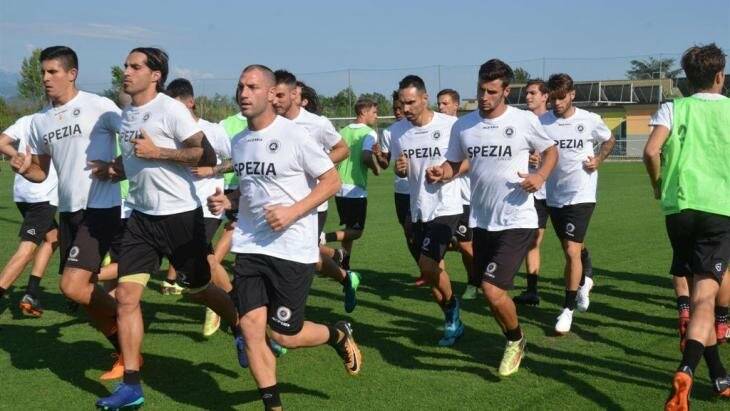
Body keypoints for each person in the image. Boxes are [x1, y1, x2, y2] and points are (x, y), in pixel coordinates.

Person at [208, 64, 361, 410]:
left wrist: (293, 212)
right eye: (240, 86)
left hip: (292, 249)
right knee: (250, 328)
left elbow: (331, 180)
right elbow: (250, 192)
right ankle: (273, 406)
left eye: (252, 87)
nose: (243, 93)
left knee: (283, 335)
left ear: (268, 93)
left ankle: (337, 334)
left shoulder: (295, 135)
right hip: (249, 245)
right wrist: (227, 200)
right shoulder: (240, 142)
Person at [95, 47, 240, 410]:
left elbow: (203, 155)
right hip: (142, 219)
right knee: (127, 298)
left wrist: (158, 152)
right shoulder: (128, 114)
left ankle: (241, 328)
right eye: (125, 65)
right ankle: (132, 385)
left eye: (135, 66)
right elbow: (134, 161)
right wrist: (115, 168)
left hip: (179, 216)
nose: (126, 71)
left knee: (200, 290)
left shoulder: (171, 109)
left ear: (155, 74)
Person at [429, 59, 557, 376]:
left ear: (505, 91)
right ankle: (512, 337)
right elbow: (455, 163)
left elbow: (551, 151)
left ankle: (516, 341)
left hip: (518, 218)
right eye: (480, 90)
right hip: (483, 221)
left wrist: (540, 176)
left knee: (491, 289)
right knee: (491, 295)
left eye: (491, 91)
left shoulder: (524, 120)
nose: (484, 97)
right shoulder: (464, 126)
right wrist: (441, 173)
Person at [11, 45, 125, 380]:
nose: (45, 78)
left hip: (100, 207)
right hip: (69, 212)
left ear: (71, 73)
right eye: (43, 72)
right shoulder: (40, 121)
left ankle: (127, 319)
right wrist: (22, 166)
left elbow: (134, 142)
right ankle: (123, 347)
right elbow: (40, 173)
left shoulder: (99, 106)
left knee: (72, 288)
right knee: (84, 293)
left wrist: (117, 167)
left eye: (53, 72)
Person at [642, 43, 730, 409]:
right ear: (720, 77)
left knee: (698, 300)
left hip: (679, 211)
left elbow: (650, 151)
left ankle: (720, 376)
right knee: (706, 300)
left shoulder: (672, 107)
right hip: (719, 210)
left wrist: (657, 183)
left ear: (686, 80)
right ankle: (686, 370)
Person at [272, 69, 360, 313]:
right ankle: (345, 277)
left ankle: (284, 316)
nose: (275, 101)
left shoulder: (316, 123)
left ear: (294, 94)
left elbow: (343, 150)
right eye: (272, 95)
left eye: (280, 95)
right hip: (281, 204)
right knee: (298, 255)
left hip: (313, 204)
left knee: (300, 258)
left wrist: (319, 164)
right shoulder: (271, 123)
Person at [391, 75, 463, 346]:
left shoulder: (451, 126)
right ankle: (451, 318)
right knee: (432, 274)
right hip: (417, 207)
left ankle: (453, 308)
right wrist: (400, 168)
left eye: (411, 102)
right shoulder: (397, 131)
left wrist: (446, 172)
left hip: (446, 205)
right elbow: (402, 165)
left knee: (427, 264)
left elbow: (467, 161)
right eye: (402, 103)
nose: (406, 108)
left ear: (424, 98)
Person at [541, 73, 615, 334]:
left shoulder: (590, 120)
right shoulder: (542, 122)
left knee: (572, 250)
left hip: (582, 195)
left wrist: (599, 159)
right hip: (554, 196)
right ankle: (585, 281)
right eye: (553, 98)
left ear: (572, 94)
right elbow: (535, 151)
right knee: (571, 248)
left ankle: (567, 309)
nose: (557, 103)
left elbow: (609, 139)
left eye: (561, 98)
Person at [165, 78, 233, 336]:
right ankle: (229, 301)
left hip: (209, 205)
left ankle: (224, 306)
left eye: (177, 107)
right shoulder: (171, 134)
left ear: (190, 103)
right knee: (201, 261)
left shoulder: (212, 130)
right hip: (180, 207)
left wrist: (212, 170)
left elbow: (237, 160)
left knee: (205, 257)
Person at [0, 114, 59, 317]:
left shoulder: (26, 119)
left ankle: (31, 293)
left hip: (22, 193)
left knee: (53, 237)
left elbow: (2, 142)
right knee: (26, 250)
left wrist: (16, 155)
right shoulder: (57, 121)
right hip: (41, 195)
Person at [321, 98, 385, 271]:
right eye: (374, 112)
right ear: (363, 112)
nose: (376, 116)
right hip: (355, 187)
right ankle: (324, 238)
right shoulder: (368, 133)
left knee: (349, 229)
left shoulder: (343, 131)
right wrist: (376, 168)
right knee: (357, 231)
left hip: (339, 186)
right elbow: (365, 156)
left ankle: (345, 263)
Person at [437, 88, 477, 300]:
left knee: (465, 243)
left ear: (456, 105)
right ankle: (435, 278)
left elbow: (473, 159)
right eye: (439, 103)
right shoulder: (437, 129)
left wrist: (450, 172)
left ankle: (473, 282)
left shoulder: (465, 128)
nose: (441, 107)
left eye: (445, 103)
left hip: (466, 196)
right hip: (443, 197)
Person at [513, 79, 551, 306]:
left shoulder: (552, 121)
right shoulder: (521, 121)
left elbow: (557, 153)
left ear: (545, 96)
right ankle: (532, 291)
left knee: (573, 245)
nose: (528, 97)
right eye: (526, 93)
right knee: (533, 241)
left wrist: (543, 159)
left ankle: (584, 271)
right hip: (532, 191)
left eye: (533, 93)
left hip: (557, 192)